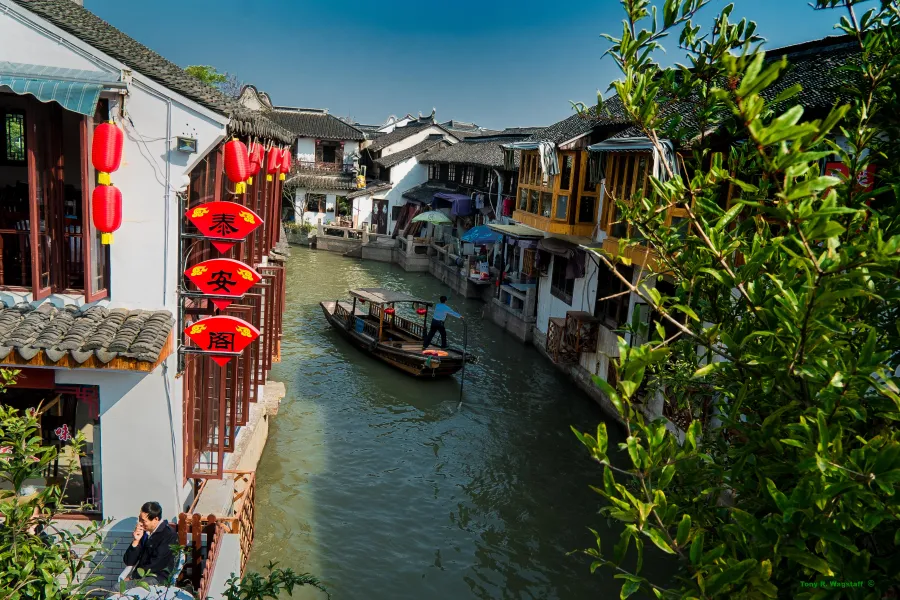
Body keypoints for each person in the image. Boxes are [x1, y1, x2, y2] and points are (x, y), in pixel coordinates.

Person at [122, 501, 178, 588]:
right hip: (142, 575)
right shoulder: (145, 533)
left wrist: (133, 577)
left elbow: (157, 563)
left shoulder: (168, 535)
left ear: (155, 519)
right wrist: (136, 541)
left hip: (157, 578)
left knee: (117, 588)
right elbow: (128, 561)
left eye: (143, 520)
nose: (140, 523)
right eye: (139, 519)